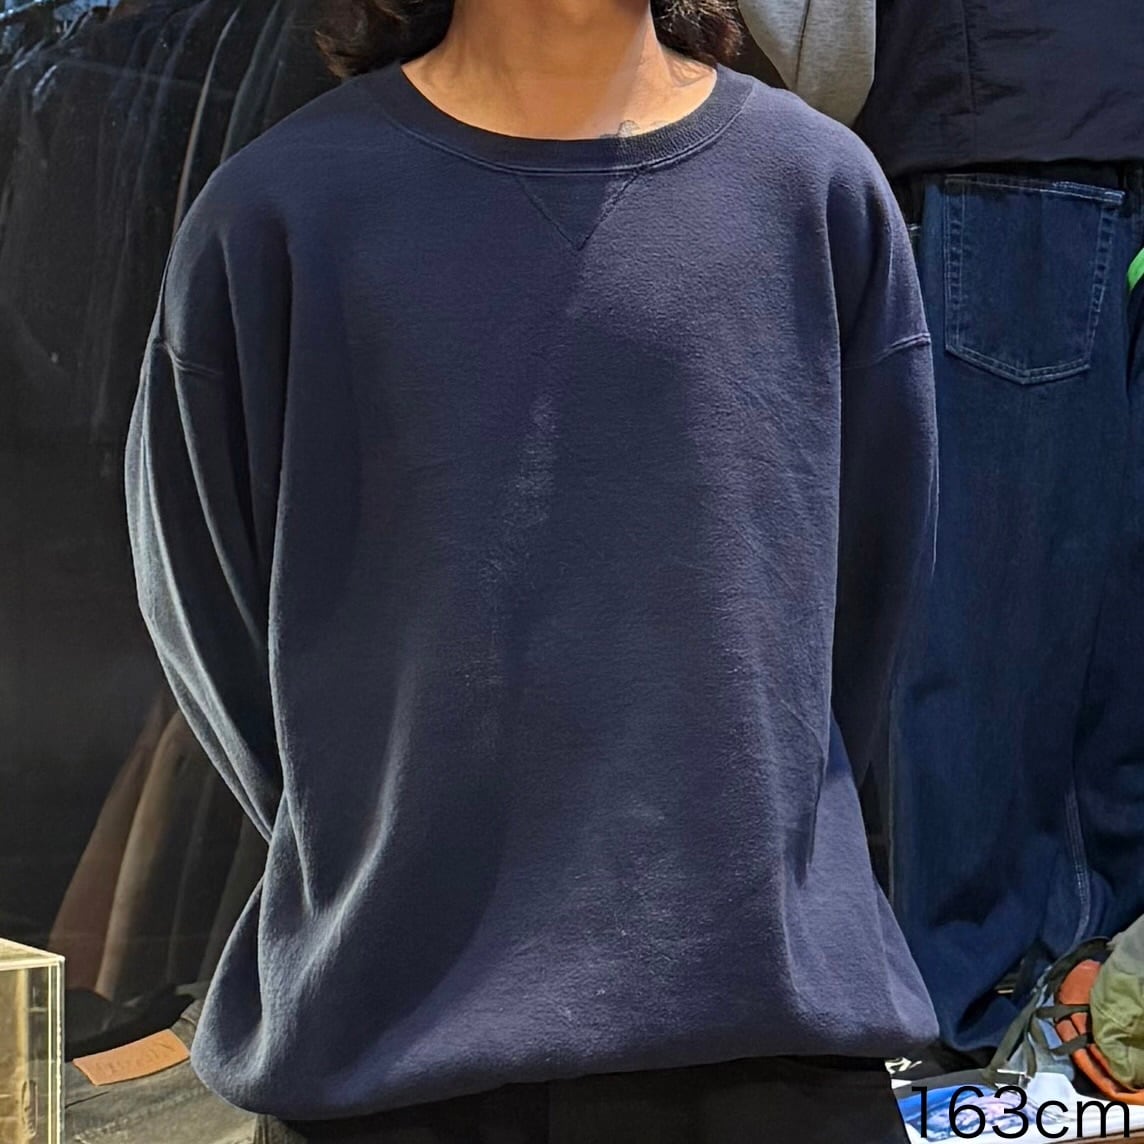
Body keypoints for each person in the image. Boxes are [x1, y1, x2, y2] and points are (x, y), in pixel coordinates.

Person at [125, 0, 939, 1139]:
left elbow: (866, 607)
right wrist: (373, 838)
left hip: (769, 1051)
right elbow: (209, 613)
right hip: (389, 1057)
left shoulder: (815, 192)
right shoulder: (276, 214)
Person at [739, 0, 1144, 1063]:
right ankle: (1091, 1008)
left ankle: (991, 1016)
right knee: (1104, 611)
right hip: (1068, 118)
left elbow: (819, 47)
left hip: (999, 129)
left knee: (987, 619)